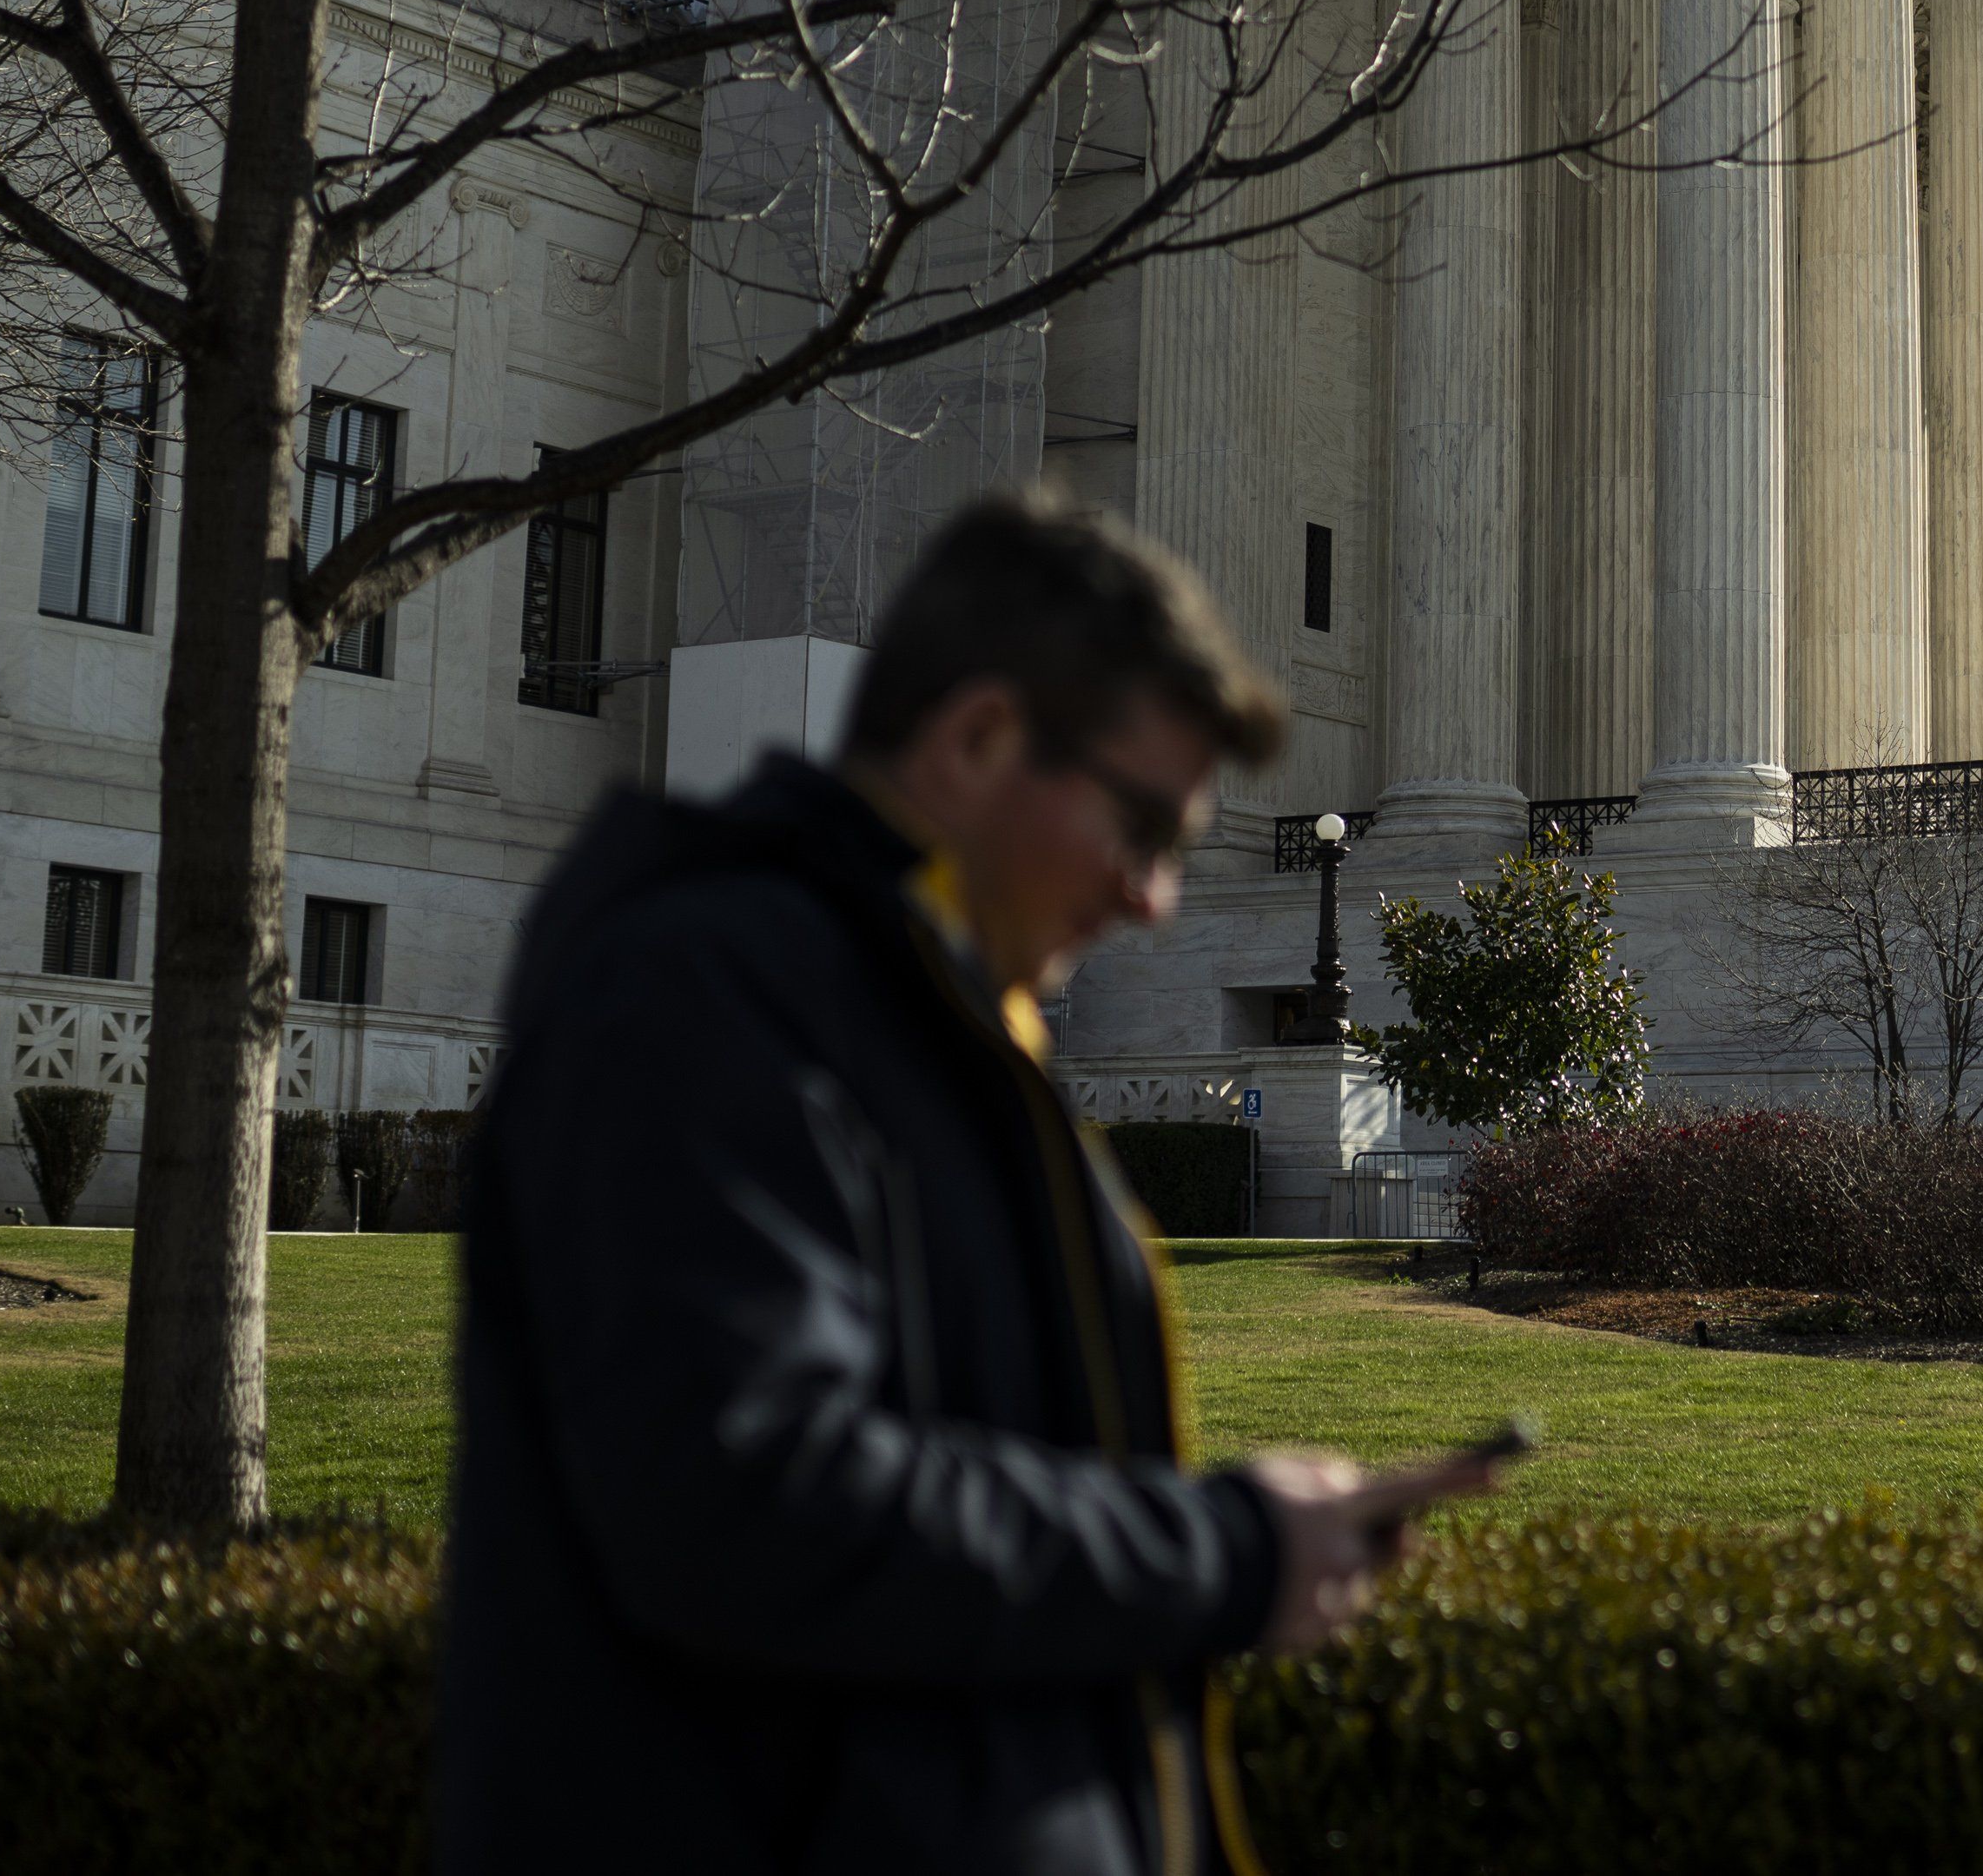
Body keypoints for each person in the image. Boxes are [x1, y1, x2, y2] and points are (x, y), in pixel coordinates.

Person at [439, 491, 1500, 1873]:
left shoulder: (931, 1020)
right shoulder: (702, 992)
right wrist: (1220, 1552)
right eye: (1142, 827)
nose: (1156, 899)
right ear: (982, 735)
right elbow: (750, 1508)